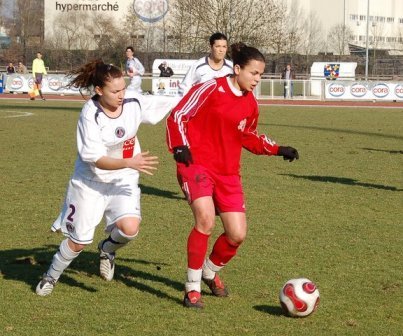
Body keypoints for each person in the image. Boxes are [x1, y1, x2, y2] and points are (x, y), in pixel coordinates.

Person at [166, 42, 299, 309]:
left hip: (228, 173)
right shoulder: (211, 88)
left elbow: (247, 136)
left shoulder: (250, 103)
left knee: (237, 234)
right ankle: (192, 288)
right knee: (205, 220)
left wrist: (277, 149)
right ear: (237, 69)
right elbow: (178, 115)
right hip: (196, 165)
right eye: (254, 73)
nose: (257, 79)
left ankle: (209, 271)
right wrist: (179, 146)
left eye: (261, 75)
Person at [36, 60, 178, 296]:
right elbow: (95, 159)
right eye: (115, 91)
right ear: (99, 90)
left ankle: (107, 249)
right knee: (78, 242)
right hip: (90, 183)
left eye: (123, 88)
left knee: (130, 228)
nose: (121, 94)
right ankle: (51, 275)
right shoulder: (90, 115)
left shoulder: (133, 101)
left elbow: (172, 101)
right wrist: (128, 162)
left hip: (123, 178)